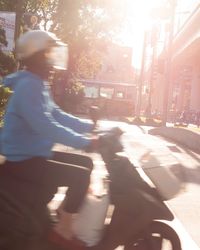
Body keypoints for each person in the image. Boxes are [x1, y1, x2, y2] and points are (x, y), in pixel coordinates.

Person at [0, 30, 98, 243]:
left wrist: (89, 127)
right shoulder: (28, 87)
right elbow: (45, 125)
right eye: (50, 55)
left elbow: (56, 114)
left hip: (34, 155)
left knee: (86, 163)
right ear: (39, 57)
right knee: (80, 176)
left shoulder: (37, 84)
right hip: (24, 161)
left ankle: (61, 215)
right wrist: (83, 141)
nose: (54, 61)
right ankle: (63, 230)